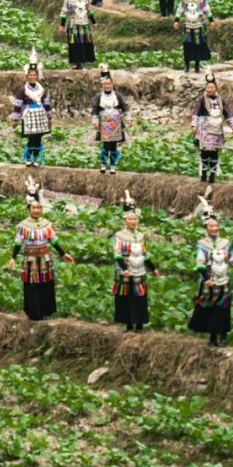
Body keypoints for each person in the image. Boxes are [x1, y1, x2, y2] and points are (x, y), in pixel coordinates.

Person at [10, 179, 73, 321]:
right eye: (34, 208)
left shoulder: (46, 224)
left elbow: (53, 241)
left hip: (45, 259)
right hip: (30, 260)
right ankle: (34, 312)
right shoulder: (23, 226)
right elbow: (18, 242)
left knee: (45, 284)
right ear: (29, 209)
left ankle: (45, 310)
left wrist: (63, 254)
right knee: (32, 285)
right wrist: (13, 257)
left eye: (39, 208)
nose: (37, 210)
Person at [188, 202, 233, 348]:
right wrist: (207, 279)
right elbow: (200, 263)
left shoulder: (225, 243)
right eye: (211, 226)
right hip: (210, 281)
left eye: (216, 226)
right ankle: (213, 336)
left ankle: (223, 336)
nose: (214, 228)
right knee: (211, 308)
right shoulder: (202, 244)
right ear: (206, 228)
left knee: (223, 308)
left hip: (224, 281)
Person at [112, 191, 158, 332]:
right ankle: (128, 325)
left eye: (135, 219)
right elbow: (117, 254)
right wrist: (124, 269)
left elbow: (145, 253)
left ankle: (139, 325)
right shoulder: (119, 235)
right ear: (125, 220)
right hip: (125, 271)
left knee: (139, 297)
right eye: (130, 219)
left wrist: (153, 268)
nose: (133, 221)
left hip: (139, 270)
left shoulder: (141, 236)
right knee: (126, 297)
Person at [192, 76, 233, 185]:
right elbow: (196, 112)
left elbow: (228, 113)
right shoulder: (201, 100)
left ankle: (212, 175)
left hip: (217, 129)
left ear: (215, 88)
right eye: (208, 87)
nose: (210, 89)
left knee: (214, 153)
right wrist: (194, 125)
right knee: (205, 152)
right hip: (205, 129)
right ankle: (203, 175)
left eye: (212, 87)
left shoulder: (221, 101)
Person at [12, 56, 51, 166]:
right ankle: (28, 158)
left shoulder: (41, 89)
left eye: (34, 75)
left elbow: (46, 104)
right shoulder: (23, 90)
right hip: (28, 115)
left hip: (40, 115)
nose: (33, 77)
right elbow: (18, 105)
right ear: (27, 76)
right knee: (31, 138)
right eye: (31, 75)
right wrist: (15, 119)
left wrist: (50, 117)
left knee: (38, 138)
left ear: (37, 76)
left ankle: (35, 159)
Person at [92, 64, 129, 174]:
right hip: (104, 122)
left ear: (112, 84)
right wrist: (95, 121)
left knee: (113, 145)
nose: (107, 86)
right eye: (105, 84)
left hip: (115, 121)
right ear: (102, 85)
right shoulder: (99, 97)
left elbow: (125, 107)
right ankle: (103, 163)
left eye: (109, 84)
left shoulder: (117, 96)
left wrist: (128, 118)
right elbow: (95, 110)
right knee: (106, 145)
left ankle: (113, 165)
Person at [59, 0, 96, 66]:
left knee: (86, 41)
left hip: (85, 23)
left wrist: (94, 22)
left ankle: (87, 61)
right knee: (75, 43)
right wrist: (62, 25)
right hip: (73, 24)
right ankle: (76, 63)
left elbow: (89, 11)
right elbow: (64, 13)